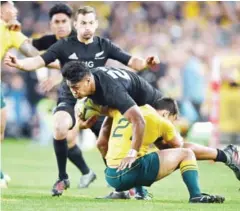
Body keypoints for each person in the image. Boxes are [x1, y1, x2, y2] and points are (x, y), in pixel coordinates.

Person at [4, 6, 159, 196]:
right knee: (60, 127)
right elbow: (39, 60)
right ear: (76, 25)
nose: (87, 27)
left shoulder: (104, 45)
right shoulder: (63, 46)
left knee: (107, 144)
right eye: (83, 23)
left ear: (96, 24)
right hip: (70, 95)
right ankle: (62, 177)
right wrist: (19, 64)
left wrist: (145, 62)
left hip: (98, 99)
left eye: (90, 23)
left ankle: (121, 186)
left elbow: (131, 60)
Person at [98, 98, 225, 203]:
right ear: (166, 114)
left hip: (110, 176)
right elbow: (178, 146)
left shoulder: (126, 110)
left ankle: (136, 193)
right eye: (173, 120)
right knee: (187, 154)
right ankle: (196, 196)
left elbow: (102, 143)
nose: (172, 124)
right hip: (130, 172)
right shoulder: (161, 121)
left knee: (141, 154)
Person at [31, 3, 97, 190]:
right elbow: (27, 46)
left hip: (88, 94)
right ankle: (84, 173)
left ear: (72, 23)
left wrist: (57, 75)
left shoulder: (79, 40)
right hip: (68, 95)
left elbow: (82, 68)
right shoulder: (49, 41)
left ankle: (122, 182)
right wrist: (14, 31)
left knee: (72, 137)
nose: (60, 25)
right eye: (56, 22)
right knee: (67, 138)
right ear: (51, 24)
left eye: (64, 21)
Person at [0, 1, 58, 188]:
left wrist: (60, 64)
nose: (16, 11)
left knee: (0, 130)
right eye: (11, 8)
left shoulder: (12, 33)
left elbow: (35, 55)